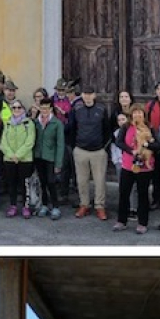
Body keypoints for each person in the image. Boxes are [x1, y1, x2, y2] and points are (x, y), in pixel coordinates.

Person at [113, 103, 160, 234]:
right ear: (131, 114)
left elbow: (158, 145)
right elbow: (119, 142)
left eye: (140, 112)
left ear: (144, 114)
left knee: (143, 195)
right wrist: (131, 151)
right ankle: (121, 221)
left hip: (145, 167)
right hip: (128, 165)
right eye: (135, 112)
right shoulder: (126, 127)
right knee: (124, 193)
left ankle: (142, 223)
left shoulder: (150, 127)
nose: (137, 115)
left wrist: (146, 144)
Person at [69, 85, 111, 220]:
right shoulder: (76, 109)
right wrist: (75, 146)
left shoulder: (101, 109)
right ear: (82, 95)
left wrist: (103, 147)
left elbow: (107, 129)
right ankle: (84, 204)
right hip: (81, 150)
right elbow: (71, 128)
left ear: (94, 95)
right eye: (85, 94)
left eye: (90, 94)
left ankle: (100, 206)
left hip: (98, 151)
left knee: (100, 181)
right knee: (82, 181)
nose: (87, 96)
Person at [0, 100, 36, 218]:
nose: (16, 110)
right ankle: (13, 205)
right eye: (14, 108)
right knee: (12, 183)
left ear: (23, 109)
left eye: (19, 107)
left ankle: (26, 206)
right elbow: (3, 141)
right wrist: (11, 155)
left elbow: (30, 141)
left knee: (24, 185)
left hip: (25, 159)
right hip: (9, 159)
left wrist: (18, 155)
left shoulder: (29, 123)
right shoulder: (7, 124)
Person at [33, 97, 65, 220]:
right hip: (38, 156)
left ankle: (55, 206)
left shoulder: (57, 123)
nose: (44, 111)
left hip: (51, 157)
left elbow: (60, 144)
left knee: (51, 182)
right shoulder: (36, 122)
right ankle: (45, 205)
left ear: (51, 109)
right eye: (42, 108)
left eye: (47, 108)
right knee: (43, 182)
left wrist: (58, 163)